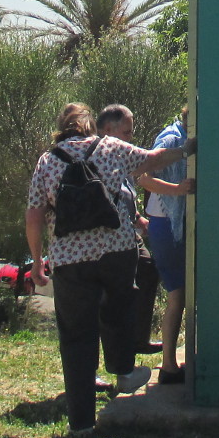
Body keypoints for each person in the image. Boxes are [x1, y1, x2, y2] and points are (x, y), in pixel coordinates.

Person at [25, 102, 193, 436]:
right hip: (116, 251)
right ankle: (124, 370)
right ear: (91, 127)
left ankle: (82, 422)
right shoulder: (112, 148)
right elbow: (154, 159)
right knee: (119, 308)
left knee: (76, 336)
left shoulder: (47, 161)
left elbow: (33, 216)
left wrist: (36, 259)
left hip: (69, 259)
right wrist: (187, 148)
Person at [96, 105, 162, 355]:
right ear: (107, 130)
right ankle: (117, 349)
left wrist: (138, 219)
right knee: (111, 295)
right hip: (107, 240)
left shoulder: (121, 156)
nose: (130, 138)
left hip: (129, 234)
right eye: (126, 132)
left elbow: (123, 196)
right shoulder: (99, 156)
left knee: (148, 270)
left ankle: (138, 339)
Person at [136, 106, 193, 384]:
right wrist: (178, 190)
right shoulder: (171, 139)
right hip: (166, 223)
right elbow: (144, 177)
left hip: (180, 223)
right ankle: (168, 366)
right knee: (177, 295)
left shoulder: (187, 138)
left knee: (183, 295)